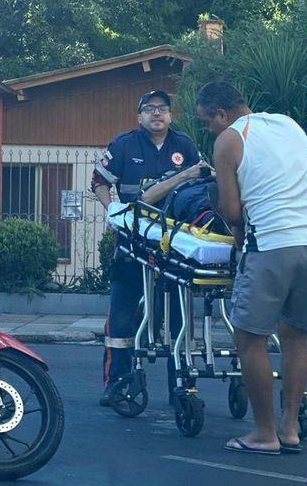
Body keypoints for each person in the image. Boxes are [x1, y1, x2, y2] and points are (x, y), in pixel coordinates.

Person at [195, 81, 307, 456]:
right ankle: (289, 428)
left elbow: (232, 211)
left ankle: (264, 433)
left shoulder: (228, 140)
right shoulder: (289, 124)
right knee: (295, 336)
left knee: (249, 337)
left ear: (221, 114)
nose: (210, 128)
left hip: (273, 244)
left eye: (208, 121)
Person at [91, 90, 208, 407]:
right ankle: (117, 382)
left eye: (163, 109)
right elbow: (98, 181)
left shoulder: (183, 146)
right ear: (139, 116)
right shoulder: (124, 145)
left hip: (175, 246)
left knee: (178, 319)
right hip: (132, 242)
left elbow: (199, 186)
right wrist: (112, 210)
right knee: (122, 316)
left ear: (170, 115)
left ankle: (180, 386)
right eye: (150, 109)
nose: (157, 113)